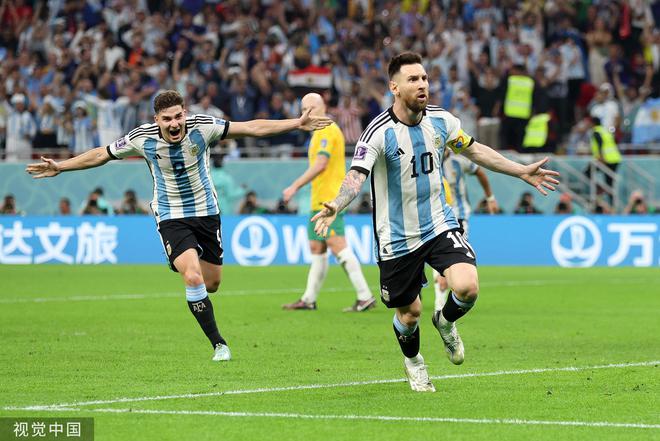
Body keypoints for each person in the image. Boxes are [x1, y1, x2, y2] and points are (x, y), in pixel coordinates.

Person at [311, 53, 559, 392]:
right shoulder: (378, 132)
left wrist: (520, 171)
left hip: (439, 224)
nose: (422, 85)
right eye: (413, 79)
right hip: (396, 236)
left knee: (467, 287)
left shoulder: (442, 120)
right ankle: (414, 362)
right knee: (409, 314)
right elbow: (356, 175)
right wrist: (337, 204)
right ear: (394, 87)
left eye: (424, 78)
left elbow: (475, 151)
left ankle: (445, 321)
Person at [26, 89, 331, 362]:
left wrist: (296, 123)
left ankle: (196, 287)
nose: (174, 124)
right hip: (171, 216)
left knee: (212, 283)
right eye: (167, 119)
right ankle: (219, 344)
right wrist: (61, 166)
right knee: (192, 275)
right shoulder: (141, 138)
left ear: (185, 113)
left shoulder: (204, 127)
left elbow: (252, 127)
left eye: (178, 116)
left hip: (207, 213)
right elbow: (101, 154)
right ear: (156, 120)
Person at [281, 93, 376, 313]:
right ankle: (309, 299)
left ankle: (365, 296)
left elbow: (321, 164)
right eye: (303, 109)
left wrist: (295, 186)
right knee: (317, 247)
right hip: (318, 199)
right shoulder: (318, 132)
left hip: (330, 200)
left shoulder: (327, 130)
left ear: (320, 107)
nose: (306, 113)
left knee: (337, 245)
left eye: (309, 108)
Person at [432, 149, 498, 313]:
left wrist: (490, 198)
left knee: (455, 257)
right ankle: (440, 302)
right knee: (437, 253)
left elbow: (480, 172)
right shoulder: (428, 157)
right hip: (436, 215)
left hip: (459, 216)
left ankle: (443, 302)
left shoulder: (460, 160)